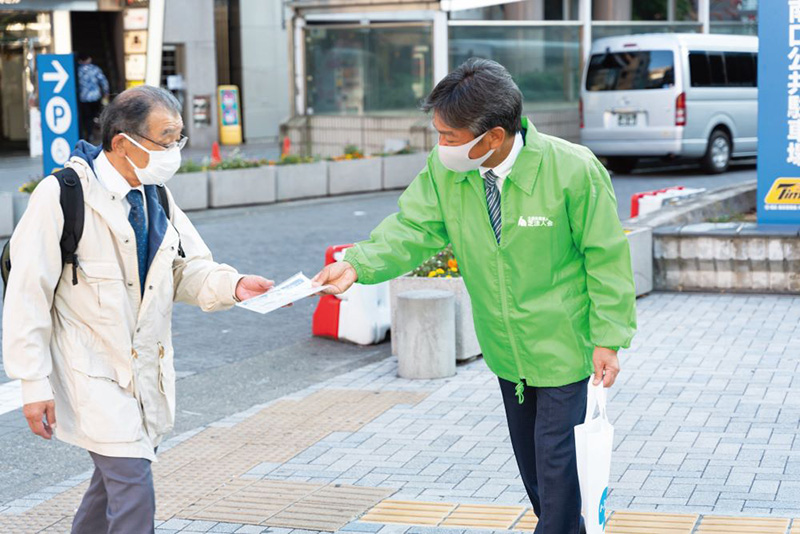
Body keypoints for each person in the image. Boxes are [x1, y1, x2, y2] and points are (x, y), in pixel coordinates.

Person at [313, 58, 637, 534]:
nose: (440, 145)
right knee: (537, 480)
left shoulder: (572, 170)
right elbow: (412, 228)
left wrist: (608, 338)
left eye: (449, 136)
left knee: (559, 479)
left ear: (494, 137)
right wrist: (357, 264)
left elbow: (606, 258)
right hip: (508, 355)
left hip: (568, 351)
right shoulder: (448, 173)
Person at [2, 85, 274, 534]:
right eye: (166, 138)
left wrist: (236, 285)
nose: (175, 150)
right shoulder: (61, 196)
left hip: (141, 375)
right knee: (131, 482)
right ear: (123, 142)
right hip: (86, 371)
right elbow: (27, 294)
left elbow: (187, 269)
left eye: (179, 138)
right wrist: (32, 383)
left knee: (111, 482)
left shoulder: (156, 195)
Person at [77, 53, 110, 142]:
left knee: (86, 118)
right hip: (95, 97)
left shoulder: (77, 71)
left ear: (80, 61)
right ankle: (94, 131)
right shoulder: (95, 69)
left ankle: (88, 134)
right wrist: (106, 93)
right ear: (89, 59)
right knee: (95, 115)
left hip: (83, 98)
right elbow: (103, 81)